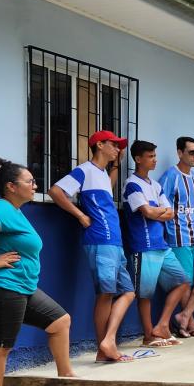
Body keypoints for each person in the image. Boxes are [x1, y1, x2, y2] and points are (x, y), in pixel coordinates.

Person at [0, 158, 75, 386]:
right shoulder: (1, 207)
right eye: (30, 181)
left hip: (24, 287)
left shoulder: (15, 210)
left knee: (60, 321)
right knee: (0, 347)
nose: (34, 184)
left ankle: (67, 378)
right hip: (5, 287)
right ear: (11, 186)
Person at [49, 130, 135, 363]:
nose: (118, 149)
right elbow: (55, 191)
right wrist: (80, 215)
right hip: (100, 239)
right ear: (99, 145)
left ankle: (107, 343)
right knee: (106, 294)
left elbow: (106, 185)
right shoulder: (84, 170)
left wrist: (116, 166)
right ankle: (105, 346)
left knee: (127, 292)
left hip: (113, 241)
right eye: (114, 145)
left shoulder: (102, 174)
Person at [123, 140, 191, 346]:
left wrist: (156, 213)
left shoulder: (156, 185)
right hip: (143, 246)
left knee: (182, 281)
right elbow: (149, 212)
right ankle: (148, 336)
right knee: (144, 294)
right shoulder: (132, 184)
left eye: (155, 155)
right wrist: (157, 212)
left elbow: (170, 213)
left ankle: (161, 326)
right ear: (138, 159)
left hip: (161, 245)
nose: (155, 160)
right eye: (150, 156)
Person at [158, 136, 194, 337]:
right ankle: (190, 323)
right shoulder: (170, 176)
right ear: (179, 153)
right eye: (191, 152)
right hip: (178, 237)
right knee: (186, 281)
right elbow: (160, 206)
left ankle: (185, 315)